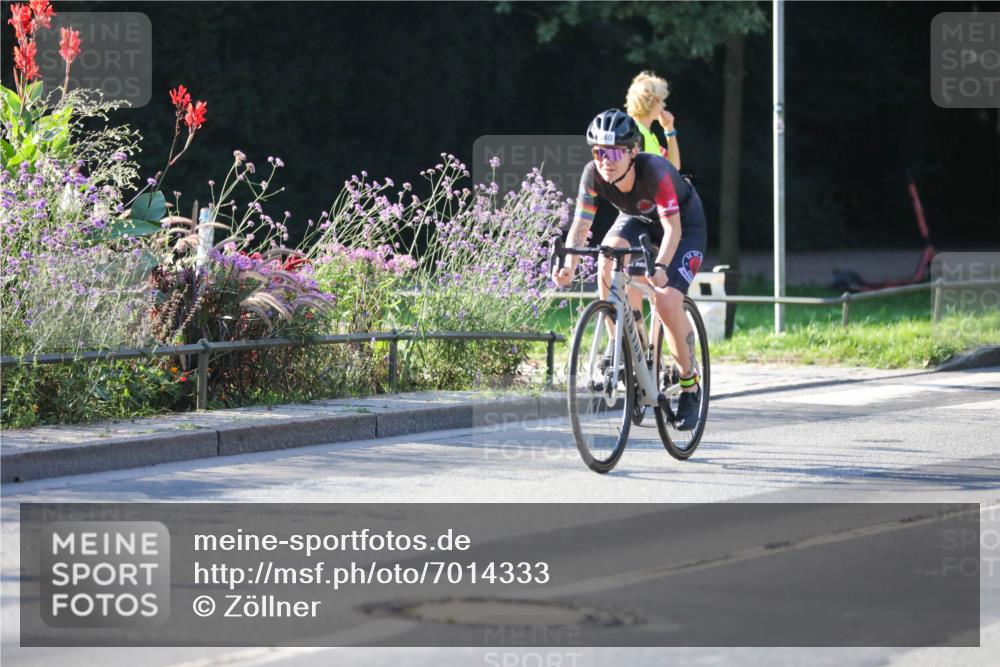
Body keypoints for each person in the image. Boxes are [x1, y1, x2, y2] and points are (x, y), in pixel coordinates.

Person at [552, 109, 706, 429]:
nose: (605, 160)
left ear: (633, 151)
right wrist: (569, 265)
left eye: (613, 152)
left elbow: (673, 230)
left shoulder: (655, 172)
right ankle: (619, 347)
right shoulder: (593, 174)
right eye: (598, 152)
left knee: (665, 300)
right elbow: (581, 225)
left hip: (682, 224)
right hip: (637, 218)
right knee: (607, 259)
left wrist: (661, 266)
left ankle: (690, 385)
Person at [626, 71, 681, 170]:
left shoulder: (648, 134)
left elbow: (673, 168)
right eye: (661, 101)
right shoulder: (636, 134)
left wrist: (669, 130)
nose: (663, 105)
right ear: (652, 101)